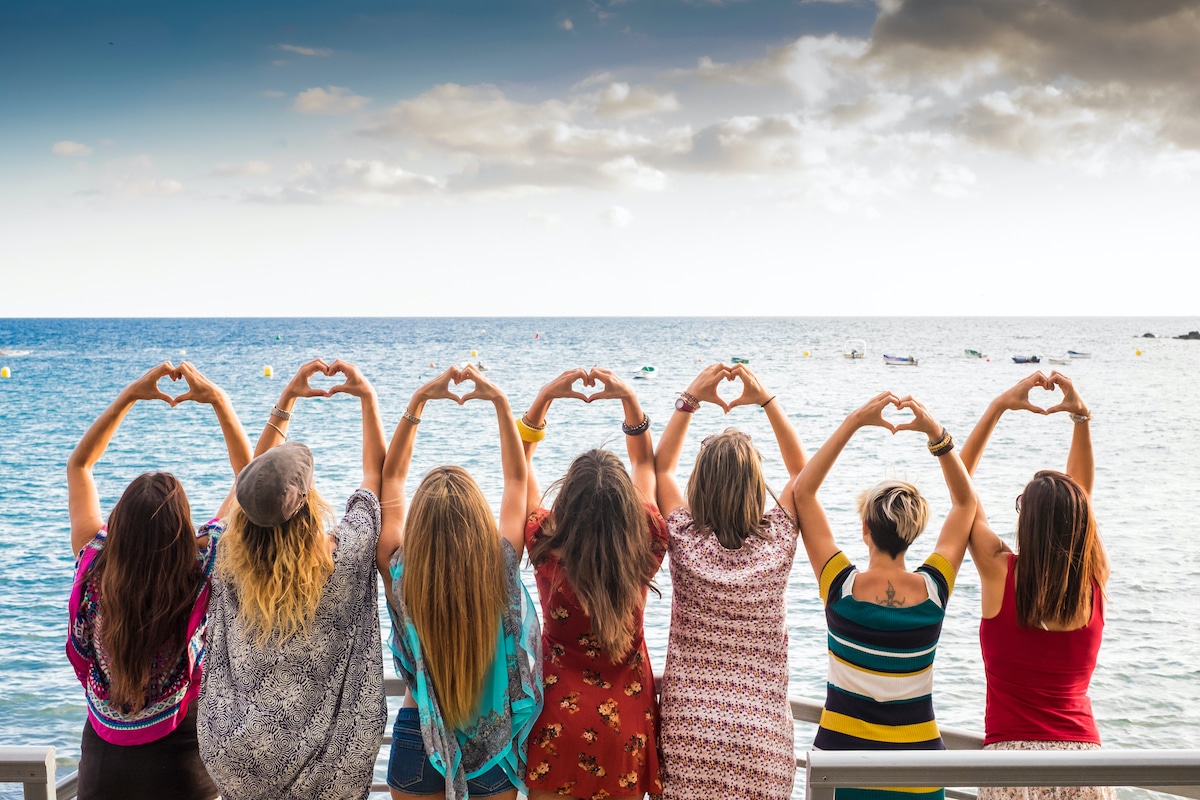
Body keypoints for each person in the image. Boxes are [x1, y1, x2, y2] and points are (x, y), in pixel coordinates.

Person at [198, 358, 388, 800]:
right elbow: (375, 477)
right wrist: (367, 397)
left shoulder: (226, 558)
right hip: (332, 771)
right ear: (306, 502)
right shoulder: (347, 555)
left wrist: (284, 402)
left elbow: (246, 491)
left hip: (241, 764)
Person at [66, 362, 251, 800]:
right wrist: (220, 403)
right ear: (181, 527)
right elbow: (249, 483)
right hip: (182, 758)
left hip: (102, 763)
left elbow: (80, 466)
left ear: (120, 524)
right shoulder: (202, 566)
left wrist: (131, 394)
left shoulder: (94, 564)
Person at [791, 392, 977, 800]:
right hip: (921, 770)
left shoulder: (839, 587)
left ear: (865, 530)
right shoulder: (933, 592)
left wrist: (855, 420)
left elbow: (802, 493)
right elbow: (966, 503)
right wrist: (936, 435)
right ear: (912, 535)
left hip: (840, 769)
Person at [382, 364, 541, 800]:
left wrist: (418, 402)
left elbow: (390, 481)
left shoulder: (399, 571)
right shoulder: (500, 565)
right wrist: (499, 402)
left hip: (418, 740)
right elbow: (516, 480)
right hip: (490, 752)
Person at [653, 363, 807, 800]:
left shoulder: (684, 540)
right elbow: (802, 477)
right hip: (762, 739)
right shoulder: (776, 543)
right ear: (757, 486)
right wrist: (766, 401)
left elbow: (661, 468)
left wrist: (690, 398)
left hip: (690, 733)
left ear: (699, 484)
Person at [962, 372, 1112, 800]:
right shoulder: (1091, 582)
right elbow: (1079, 500)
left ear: (1025, 520)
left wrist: (998, 407)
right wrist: (1081, 419)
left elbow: (962, 490)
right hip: (1084, 763)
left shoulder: (998, 572)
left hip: (1011, 766)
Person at [521, 368, 667, 800]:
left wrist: (545, 396)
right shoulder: (646, 545)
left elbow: (519, 465)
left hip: (555, 720)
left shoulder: (544, 545)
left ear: (566, 500)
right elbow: (644, 462)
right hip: (624, 726)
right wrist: (628, 399)